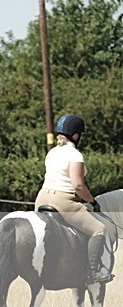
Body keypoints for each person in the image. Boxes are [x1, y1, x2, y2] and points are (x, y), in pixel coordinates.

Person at [34, 113, 113, 284]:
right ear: (76, 135)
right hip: (63, 201)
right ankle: (93, 272)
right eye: (80, 135)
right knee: (100, 229)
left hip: (41, 198)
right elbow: (78, 186)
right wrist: (92, 201)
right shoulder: (75, 155)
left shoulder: (52, 152)